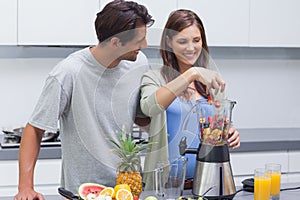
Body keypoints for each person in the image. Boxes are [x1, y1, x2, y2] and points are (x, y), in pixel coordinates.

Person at [14, 1, 154, 199]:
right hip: (82, 191)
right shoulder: (68, 73)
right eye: (139, 40)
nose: (145, 46)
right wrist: (25, 187)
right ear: (116, 42)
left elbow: (139, 117)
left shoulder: (139, 64)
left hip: (127, 188)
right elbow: (35, 129)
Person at [140, 9, 240, 188]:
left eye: (196, 40)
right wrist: (192, 74)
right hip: (166, 185)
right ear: (169, 43)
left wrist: (231, 132)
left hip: (208, 183)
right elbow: (149, 107)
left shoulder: (212, 80)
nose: (191, 48)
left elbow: (220, 123)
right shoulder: (154, 78)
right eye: (182, 41)